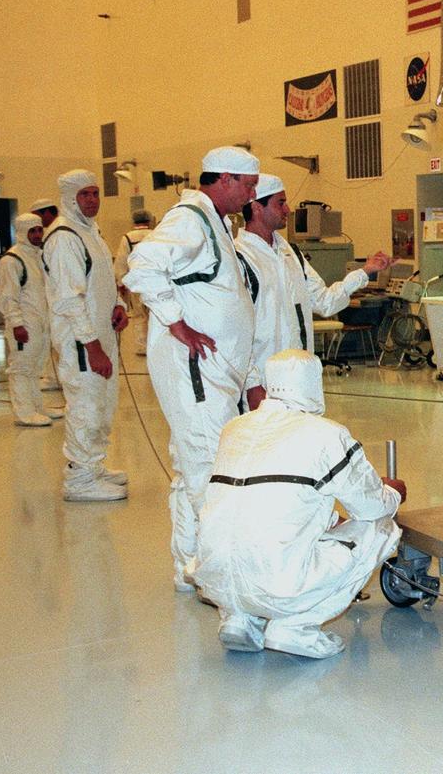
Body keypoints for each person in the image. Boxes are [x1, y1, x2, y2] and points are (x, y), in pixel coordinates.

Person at [190, 349, 405, 658]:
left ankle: (239, 618)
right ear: (313, 384)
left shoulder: (234, 429)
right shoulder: (327, 435)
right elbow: (371, 506)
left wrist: (329, 521)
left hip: (216, 581)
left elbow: (269, 503)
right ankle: (294, 628)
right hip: (277, 584)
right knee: (382, 527)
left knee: (251, 528)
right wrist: (393, 492)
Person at [123, 146, 261, 590]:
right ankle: (219, 577)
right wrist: (176, 322)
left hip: (215, 373)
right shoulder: (191, 218)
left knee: (191, 469)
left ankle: (190, 565)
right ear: (224, 180)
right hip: (196, 370)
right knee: (208, 470)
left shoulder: (216, 222)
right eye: (248, 185)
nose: (250, 195)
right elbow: (142, 265)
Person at [234, 174, 391, 406]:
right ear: (257, 208)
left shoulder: (291, 254)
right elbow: (236, 330)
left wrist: (364, 272)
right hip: (262, 382)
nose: (288, 209)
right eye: (280, 203)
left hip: (299, 377)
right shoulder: (238, 257)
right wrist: (252, 384)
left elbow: (324, 301)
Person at [44, 170, 130, 501]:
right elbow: (69, 299)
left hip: (101, 335)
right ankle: (79, 479)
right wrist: (92, 347)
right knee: (85, 406)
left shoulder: (90, 231)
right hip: (82, 343)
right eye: (85, 195)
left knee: (102, 405)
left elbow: (103, 280)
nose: (92, 200)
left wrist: (119, 304)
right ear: (70, 198)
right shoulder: (65, 237)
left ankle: (92, 466)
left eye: (95, 193)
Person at [0, 213, 64, 427]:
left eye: (38, 230)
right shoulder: (11, 260)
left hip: (41, 323)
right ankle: (24, 412)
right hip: (25, 324)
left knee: (35, 367)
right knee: (22, 367)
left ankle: (37, 406)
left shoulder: (38, 256)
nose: (37, 235)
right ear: (21, 233)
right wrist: (17, 324)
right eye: (31, 231)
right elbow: (8, 297)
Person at [31, 197, 63, 390]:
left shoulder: (57, 235)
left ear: (47, 213)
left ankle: (54, 378)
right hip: (51, 296)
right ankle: (55, 375)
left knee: (56, 338)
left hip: (59, 298)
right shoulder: (51, 234)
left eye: (37, 218)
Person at [114, 209, 154, 356]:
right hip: (154, 281)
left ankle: (142, 346)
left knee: (139, 315)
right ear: (149, 220)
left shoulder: (128, 238)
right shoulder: (155, 234)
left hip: (136, 282)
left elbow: (121, 261)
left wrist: (121, 282)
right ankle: (156, 345)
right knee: (156, 315)